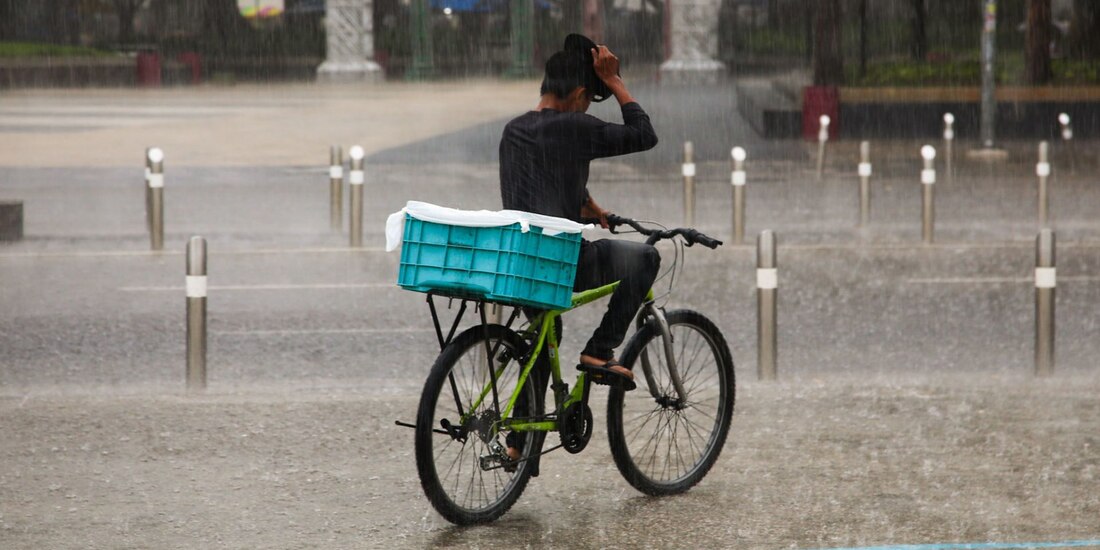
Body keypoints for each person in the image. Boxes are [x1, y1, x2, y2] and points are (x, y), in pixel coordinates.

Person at [499, 35, 659, 402]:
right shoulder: (575, 128)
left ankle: (518, 448)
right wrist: (616, 81)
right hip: (560, 261)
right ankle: (600, 350)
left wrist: (587, 203)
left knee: (540, 344)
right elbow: (644, 135)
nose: (586, 110)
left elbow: (539, 179)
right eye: (588, 100)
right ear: (578, 94)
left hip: (520, 260)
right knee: (646, 259)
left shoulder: (514, 130)